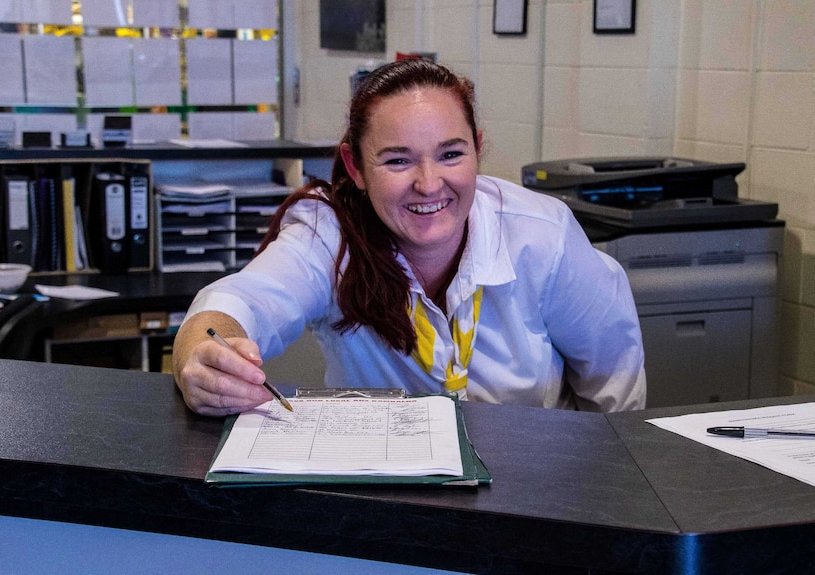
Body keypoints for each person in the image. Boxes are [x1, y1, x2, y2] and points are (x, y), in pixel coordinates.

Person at [173, 59, 646, 417]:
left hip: (534, 487)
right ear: (355, 167)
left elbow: (617, 396)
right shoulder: (329, 234)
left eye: (450, 154)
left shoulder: (542, 235)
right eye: (397, 160)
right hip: (383, 493)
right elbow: (237, 303)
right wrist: (203, 358)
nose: (428, 183)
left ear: (477, 150)